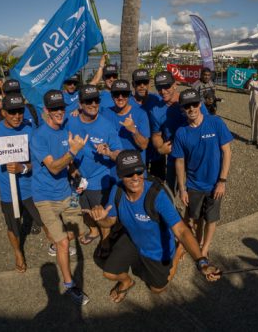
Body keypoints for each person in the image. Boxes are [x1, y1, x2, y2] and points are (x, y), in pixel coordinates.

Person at [84, 150, 221, 303]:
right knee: (109, 273)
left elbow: (182, 230)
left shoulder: (156, 195)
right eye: (129, 174)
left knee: (157, 289)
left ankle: (177, 251)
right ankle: (127, 282)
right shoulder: (117, 190)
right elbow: (110, 221)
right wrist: (100, 219)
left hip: (157, 250)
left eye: (139, 172)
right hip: (133, 241)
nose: (136, 177)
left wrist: (201, 261)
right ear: (120, 176)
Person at [30, 90, 91, 305]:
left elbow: (67, 165)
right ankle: (69, 285)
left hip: (67, 193)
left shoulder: (66, 129)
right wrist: (73, 152)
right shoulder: (38, 136)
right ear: (46, 110)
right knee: (65, 242)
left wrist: (76, 175)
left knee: (82, 231)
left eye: (61, 108)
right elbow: (55, 167)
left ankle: (55, 242)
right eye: (54, 108)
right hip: (44, 198)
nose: (59, 112)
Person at [0, 93, 43, 273]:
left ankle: (57, 245)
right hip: (7, 192)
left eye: (20, 111)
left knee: (44, 221)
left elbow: (39, 160)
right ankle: (18, 252)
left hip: (31, 189)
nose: (17, 116)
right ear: (3, 112)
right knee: (13, 226)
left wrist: (24, 168)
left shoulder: (30, 129)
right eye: (12, 112)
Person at [171, 88, 233, 258]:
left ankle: (204, 249)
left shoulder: (215, 122)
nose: (191, 109)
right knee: (194, 217)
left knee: (211, 219)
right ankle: (195, 244)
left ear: (200, 104)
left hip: (215, 184)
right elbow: (179, 161)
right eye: (187, 106)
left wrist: (222, 181)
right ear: (183, 109)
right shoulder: (181, 132)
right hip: (194, 185)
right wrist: (182, 189)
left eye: (194, 104)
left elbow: (227, 151)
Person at [66, 84, 122, 258]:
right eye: (88, 101)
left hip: (100, 178)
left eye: (96, 100)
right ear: (80, 104)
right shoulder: (71, 120)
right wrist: (72, 168)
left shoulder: (106, 126)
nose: (93, 104)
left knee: (100, 213)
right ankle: (93, 231)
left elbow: (119, 153)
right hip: (77, 176)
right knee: (85, 210)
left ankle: (105, 240)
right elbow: (62, 144)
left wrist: (109, 152)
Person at [150, 70, 208, 190]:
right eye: (159, 88)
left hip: (197, 156)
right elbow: (156, 135)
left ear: (175, 84)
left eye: (166, 87)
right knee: (171, 192)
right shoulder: (156, 111)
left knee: (197, 192)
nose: (163, 91)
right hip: (174, 159)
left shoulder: (192, 101)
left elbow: (208, 125)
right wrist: (160, 148)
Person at [104, 79, 150, 163]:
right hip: (113, 169)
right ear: (111, 95)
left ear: (129, 95)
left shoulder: (141, 114)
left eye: (124, 94)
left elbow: (144, 145)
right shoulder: (105, 114)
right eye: (116, 94)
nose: (120, 97)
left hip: (135, 168)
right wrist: (78, 110)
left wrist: (134, 130)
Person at [131, 69, 164, 179]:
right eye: (138, 83)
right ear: (133, 85)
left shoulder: (157, 99)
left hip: (157, 152)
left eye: (144, 83)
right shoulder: (127, 103)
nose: (142, 86)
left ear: (149, 84)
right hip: (138, 153)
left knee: (158, 185)